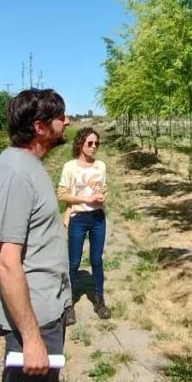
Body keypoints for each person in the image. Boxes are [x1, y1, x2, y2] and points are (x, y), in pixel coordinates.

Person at [0, 88, 71, 382]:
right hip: (32, 317)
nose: (67, 122)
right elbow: (6, 263)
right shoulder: (15, 174)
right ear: (40, 127)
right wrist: (31, 338)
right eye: (60, 117)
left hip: (46, 309)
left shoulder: (28, 168)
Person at [57, 127, 109, 324]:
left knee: (96, 260)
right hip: (78, 218)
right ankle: (68, 304)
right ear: (80, 143)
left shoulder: (101, 166)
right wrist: (85, 198)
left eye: (96, 143)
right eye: (90, 143)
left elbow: (104, 189)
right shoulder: (70, 167)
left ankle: (99, 299)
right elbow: (61, 194)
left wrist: (103, 197)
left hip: (97, 218)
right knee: (74, 262)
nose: (94, 146)